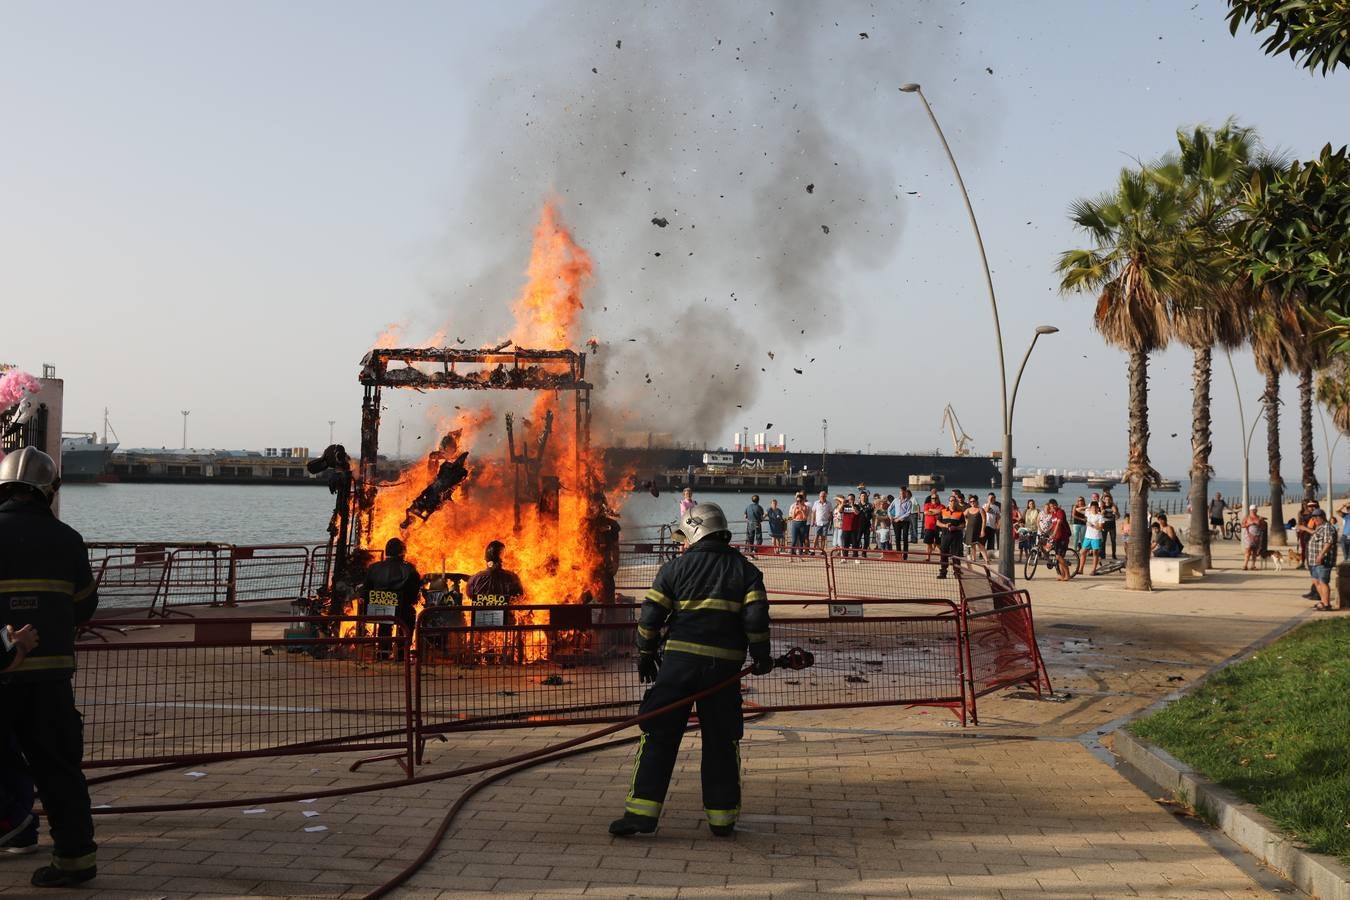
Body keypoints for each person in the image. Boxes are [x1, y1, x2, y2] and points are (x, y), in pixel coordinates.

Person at [609, 502, 772, 838]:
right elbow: (756, 619)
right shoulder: (746, 571)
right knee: (721, 741)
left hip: (678, 667)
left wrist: (645, 652)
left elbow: (650, 615)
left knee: (658, 735)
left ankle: (641, 814)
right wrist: (761, 656)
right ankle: (722, 819)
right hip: (723, 671)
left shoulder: (675, 568)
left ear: (696, 530)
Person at [0, 448, 99, 886]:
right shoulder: (68, 539)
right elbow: (85, 606)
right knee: (59, 771)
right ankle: (74, 861)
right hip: (50, 680)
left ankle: (16, 831)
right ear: (49, 491)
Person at [361, 537, 421, 661]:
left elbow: (365, 590)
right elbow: (413, 595)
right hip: (400, 612)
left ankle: (383, 654)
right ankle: (401, 653)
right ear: (402, 553)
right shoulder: (409, 569)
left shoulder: (373, 568)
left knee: (384, 623)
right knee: (409, 617)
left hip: (377, 611)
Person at [467, 540, 526, 661]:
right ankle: (508, 656)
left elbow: (469, 594)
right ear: (502, 557)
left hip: (480, 620)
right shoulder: (511, 577)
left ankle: (477, 656)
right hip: (503, 620)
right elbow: (520, 594)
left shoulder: (476, 578)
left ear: (485, 558)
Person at [1306, 509, 1338, 610]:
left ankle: (1327, 604)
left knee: (1323, 581)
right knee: (1316, 581)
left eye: (1317, 517)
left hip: (1323, 560)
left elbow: (1328, 543)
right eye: (1313, 517)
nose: (1315, 519)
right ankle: (1323, 601)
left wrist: (1320, 555)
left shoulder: (1327, 527)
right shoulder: (1319, 527)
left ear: (1323, 517)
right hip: (1314, 560)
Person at [936, 493, 965, 579]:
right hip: (945, 536)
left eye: (954, 500)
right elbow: (938, 522)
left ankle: (957, 572)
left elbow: (963, 525)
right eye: (951, 500)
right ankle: (943, 573)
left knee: (956, 555)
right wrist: (945, 526)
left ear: (956, 502)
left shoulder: (960, 513)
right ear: (949, 502)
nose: (953, 502)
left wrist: (955, 527)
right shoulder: (943, 511)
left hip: (956, 537)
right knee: (943, 554)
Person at [1043, 499, 1072, 581]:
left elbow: (1058, 524)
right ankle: (1063, 575)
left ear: (1055, 505)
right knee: (1058, 557)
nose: (1051, 508)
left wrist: (1053, 534)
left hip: (1063, 537)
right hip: (1057, 538)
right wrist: (1046, 532)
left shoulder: (1060, 512)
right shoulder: (1053, 514)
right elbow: (1053, 524)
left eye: (1052, 506)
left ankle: (1068, 574)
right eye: (1050, 507)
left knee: (1059, 557)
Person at [1079, 501, 1105, 576]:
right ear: (1090, 508)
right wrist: (1087, 507)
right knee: (1083, 552)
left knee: (1095, 553)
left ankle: (1094, 570)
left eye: (1095, 508)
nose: (1094, 509)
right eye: (1092, 508)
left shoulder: (1100, 516)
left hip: (1096, 537)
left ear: (1098, 508)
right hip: (1088, 536)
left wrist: (1092, 525)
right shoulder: (1088, 514)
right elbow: (1078, 510)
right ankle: (1081, 569)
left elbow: (1100, 528)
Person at [921, 490, 944, 562]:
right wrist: (935, 512)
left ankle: (942, 558)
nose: (934, 499)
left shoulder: (942, 506)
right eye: (932, 498)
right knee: (929, 543)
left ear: (938, 498)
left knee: (938, 544)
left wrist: (931, 511)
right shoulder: (927, 505)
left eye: (935, 498)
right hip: (929, 526)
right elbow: (925, 512)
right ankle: (928, 557)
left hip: (938, 526)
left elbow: (940, 511)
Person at [890, 489, 914, 559]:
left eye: (903, 493)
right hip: (896, 522)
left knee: (905, 538)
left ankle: (905, 555)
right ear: (899, 493)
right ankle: (898, 554)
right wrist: (890, 516)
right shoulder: (895, 500)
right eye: (901, 493)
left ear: (905, 493)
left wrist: (900, 518)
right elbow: (889, 509)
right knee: (897, 538)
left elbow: (908, 512)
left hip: (905, 522)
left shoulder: (909, 502)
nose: (902, 494)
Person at [964, 496, 987, 563]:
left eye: (973, 501)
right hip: (970, 529)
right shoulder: (968, 510)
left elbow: (984, 520)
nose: (972, 502)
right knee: (972, 545)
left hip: (978, 530)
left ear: (977, 501)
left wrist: (983, 530)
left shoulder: (980, 509)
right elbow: (961, 516)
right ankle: (974, 559)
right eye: (971, 501)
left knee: (981, 545)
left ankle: (986, 560)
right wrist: (966, 522)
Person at [1241, 505, 1263, 570]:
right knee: (1248, 550)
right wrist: (1249, 524)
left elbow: (1263, 527)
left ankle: (1253, 565)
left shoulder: (1259, 518)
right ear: (1250, 510)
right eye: (1252, 510)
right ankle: (1245, 565)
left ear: (1256, 510)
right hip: (1248, 536)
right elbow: (1242, 525)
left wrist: (1259, 523)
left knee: (1255, 551)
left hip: (1257, 536)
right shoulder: (1247, 518)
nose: (1253, 511)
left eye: (1254, 510)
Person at [1100, 492, 1120, 560]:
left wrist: (1116, 513)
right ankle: (1103, 554)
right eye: (1106, 499)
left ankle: (1113, 554)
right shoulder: (1102, 506)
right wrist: (1102, 512)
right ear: (1104, 500)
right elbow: (1100, 515)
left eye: (1108, 499)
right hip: (1104, 525)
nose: (1107, 500)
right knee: (1103, 541)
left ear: (1110, 499)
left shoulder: (1113, 506)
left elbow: (1118, 516)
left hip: (1112, 525)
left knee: (1113, 541)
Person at [982, 493, 1000, 559]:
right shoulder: (984, 505)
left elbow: (998, 516)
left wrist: (997, 524)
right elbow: (986, 510)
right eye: (990, 498)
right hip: (986, 525)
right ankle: (982, 555)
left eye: (993, 498)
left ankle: (989, 555)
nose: (992, 499)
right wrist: (989, 502)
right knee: (983, 541)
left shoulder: (996, 507)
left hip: (992, 526)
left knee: (991, 542)